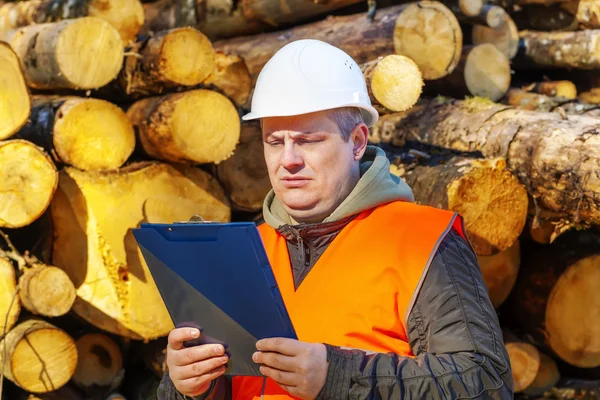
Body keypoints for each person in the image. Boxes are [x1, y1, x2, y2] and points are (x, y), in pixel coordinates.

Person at [157, 39, 514, 400]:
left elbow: (485, 383)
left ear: (357, 142)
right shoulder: (244, 252)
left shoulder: (422, 240)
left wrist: (338, 377)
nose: (288, 159)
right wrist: (188, 386)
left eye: (308, 140)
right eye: (275, 141)